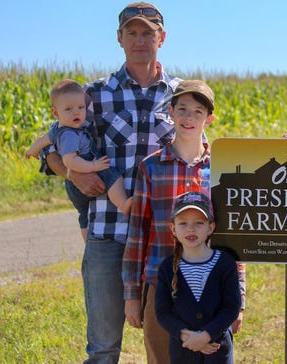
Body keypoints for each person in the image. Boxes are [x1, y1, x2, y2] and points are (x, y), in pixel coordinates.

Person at [44, 3, 181, 362]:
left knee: (164, 343)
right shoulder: (92, 95)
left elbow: (202, 152)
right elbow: (52, 149)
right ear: (119, 38)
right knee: (103, 345)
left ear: (161, 38)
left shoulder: (180, 97)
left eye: (148, 33)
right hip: (108, 232)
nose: (140, 40)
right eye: (132, 33)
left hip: (162, 238)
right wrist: (73, 171)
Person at [122, 80, 246, 363]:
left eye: (198, 112)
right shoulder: (151, 166)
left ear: (209, 119)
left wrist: (239, 299)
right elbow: (138, 233)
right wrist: (132, 294)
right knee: (161, 357)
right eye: (183, 110)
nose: (189, 118)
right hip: (160, 281)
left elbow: (234, 238)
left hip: (213, 284)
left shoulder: (222, 169)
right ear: (171, 113)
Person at [25, 79, 132, 241]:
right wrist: (93, 165)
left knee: (84, 214)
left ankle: (86, 240)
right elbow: (69, 161)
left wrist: (32, 151)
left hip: (73, 186)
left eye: (81, 108)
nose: (76, 113)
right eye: (69, 109)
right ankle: (123, 204)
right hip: (81, 173)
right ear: (55, 113)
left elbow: (42, 141)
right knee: (112, 175)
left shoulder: (57, 130)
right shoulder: (68, 135)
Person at [155, 191, 241, 364]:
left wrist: (206, 336)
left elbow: (231, 307)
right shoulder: (167, 267)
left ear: (211, 227)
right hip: (183, 351)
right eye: (183, 223)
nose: (191, 229)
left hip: (218, 351)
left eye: (199, 223)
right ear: (173, 228)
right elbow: (163, 313)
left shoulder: (225, 263)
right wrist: (188, 337)